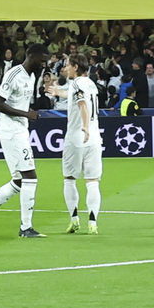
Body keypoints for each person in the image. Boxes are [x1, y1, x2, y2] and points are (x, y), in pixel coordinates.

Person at [0, 49, 43, 238]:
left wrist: (3, 127)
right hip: (14, 133)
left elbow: (15, 103)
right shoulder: (14, 74)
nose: (44, 64)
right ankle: (26, 228)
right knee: (30, 177)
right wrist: (26, 115)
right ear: (31, 56)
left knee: (19, 181)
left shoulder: (31, 77)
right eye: (42, 60)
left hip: (16, 131)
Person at [57, 54, 104, 236]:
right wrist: (59, 93)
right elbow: (80, 98)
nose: (65, 68)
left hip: (77, 137)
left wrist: (84, 126)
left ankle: (74, 219)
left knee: (69, 178)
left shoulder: (76, 84)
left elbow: (82, 104)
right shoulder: (90, 83)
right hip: (95, 139)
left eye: (68, 65)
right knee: (92, 182)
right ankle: (93, 222)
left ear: (76, 67)